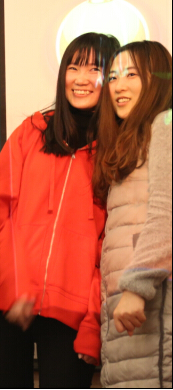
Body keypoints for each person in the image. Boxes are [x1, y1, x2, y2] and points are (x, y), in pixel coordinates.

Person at [0, 32, 120, 388]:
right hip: (0, 302)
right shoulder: (30, 132)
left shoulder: (117, 154)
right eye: (73, 67)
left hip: (71, 315)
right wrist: (16, 284)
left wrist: (93, 323)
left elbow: (109, 250)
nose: (81, 79)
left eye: (95, 69)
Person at [92, 41, 172, 387]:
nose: (118, 86)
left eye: (132, 75)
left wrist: (137, 287)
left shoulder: (166, 123)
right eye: (112, 77)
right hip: (129, 307)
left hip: (152, 299)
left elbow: (167, 213)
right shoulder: (132, 143)